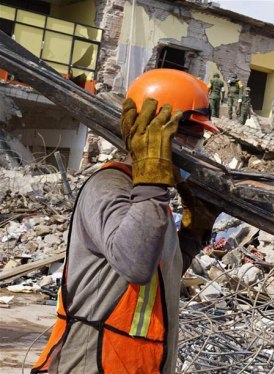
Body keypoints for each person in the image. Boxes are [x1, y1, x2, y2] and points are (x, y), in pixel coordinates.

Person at [32, 69, 220, 374]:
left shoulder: (152, 196)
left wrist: (191, 235)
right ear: (152, 130)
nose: (192, 151)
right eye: (186, 138)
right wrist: (153, 181)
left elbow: (160, 279)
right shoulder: (110, 187)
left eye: (197, 141)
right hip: (92, 364)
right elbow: (134, 263)